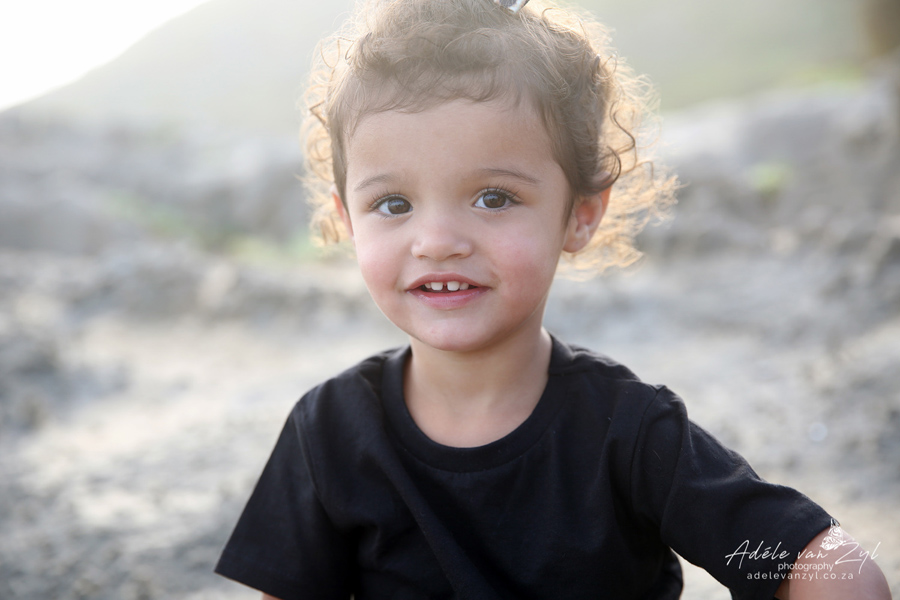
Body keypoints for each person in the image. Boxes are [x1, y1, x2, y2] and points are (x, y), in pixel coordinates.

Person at [215, 0, 892, 598]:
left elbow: (827, 566)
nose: (438, 241)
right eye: (393, 203)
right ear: (347, 218)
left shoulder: (629, 434)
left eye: (493, 197)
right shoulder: (329, 434)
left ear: (580, 215)